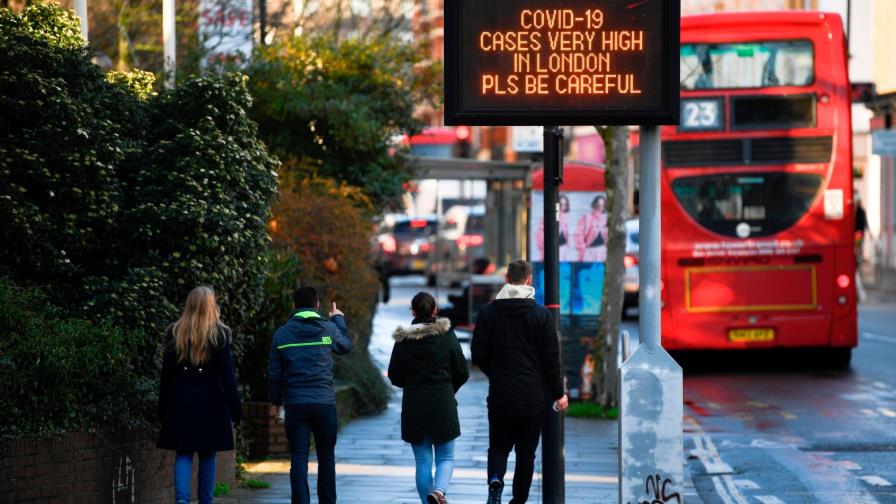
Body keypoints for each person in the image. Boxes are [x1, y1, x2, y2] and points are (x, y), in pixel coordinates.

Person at [471, 259, 568, 504]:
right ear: (529, 280)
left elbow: (478, 353)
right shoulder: (541, 315)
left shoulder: (488, 313)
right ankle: (519, 500)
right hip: (532, 396)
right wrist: (558, 392)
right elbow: (550, 359)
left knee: (498, 446)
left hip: (501, 392)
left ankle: (495, 479)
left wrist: (496, 373)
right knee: (526, 453)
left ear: (506, 279)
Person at [158, 286, 242, 504]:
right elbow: (228, 378)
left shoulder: (175, 333)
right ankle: (206, 501)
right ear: (211, 305)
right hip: (210, 404)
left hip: (180, 403)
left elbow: (165, 377)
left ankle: (182, 501)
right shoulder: (220, 334)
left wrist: (162, 410)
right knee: (208, 454)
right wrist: (236, 410)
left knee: (183, 453)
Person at [268, 286, 352, 504]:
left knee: (298, 458)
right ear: (317, 305)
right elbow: (345, 346)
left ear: (294, 306)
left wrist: (275, 402)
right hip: (324, 404)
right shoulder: (327, 329)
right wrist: (338, 319)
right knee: (326, 457)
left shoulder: (282, 334)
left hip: (296, 405)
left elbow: (274, 374)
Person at [388, 292, 470, 504]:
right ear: (435, 311)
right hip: (442, 401)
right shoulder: (446, 335)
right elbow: (462, 370)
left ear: (413, 311)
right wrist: (449, 389)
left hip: (415, 403)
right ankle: (439, 491)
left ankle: (429, 501)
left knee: (423, 462)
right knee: (446, 457)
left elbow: (394, 375)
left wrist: (412, 384)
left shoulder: (403, 339)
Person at [536, 194, 574, 262]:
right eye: (561, 204)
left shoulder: (567, 218)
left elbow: (568, 235)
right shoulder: (547, 218)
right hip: (550, 250)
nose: (562, 207)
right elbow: (540, 234)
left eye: (564, 204)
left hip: (563, 249)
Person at [574, 195, 609, 262]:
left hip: (603, 251)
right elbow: (578, 234)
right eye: (598, 205)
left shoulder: (605, 219)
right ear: (595, 205)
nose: (600, 208)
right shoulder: (587, 218)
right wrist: (582, 248)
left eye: (603, 205)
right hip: (589, 252)